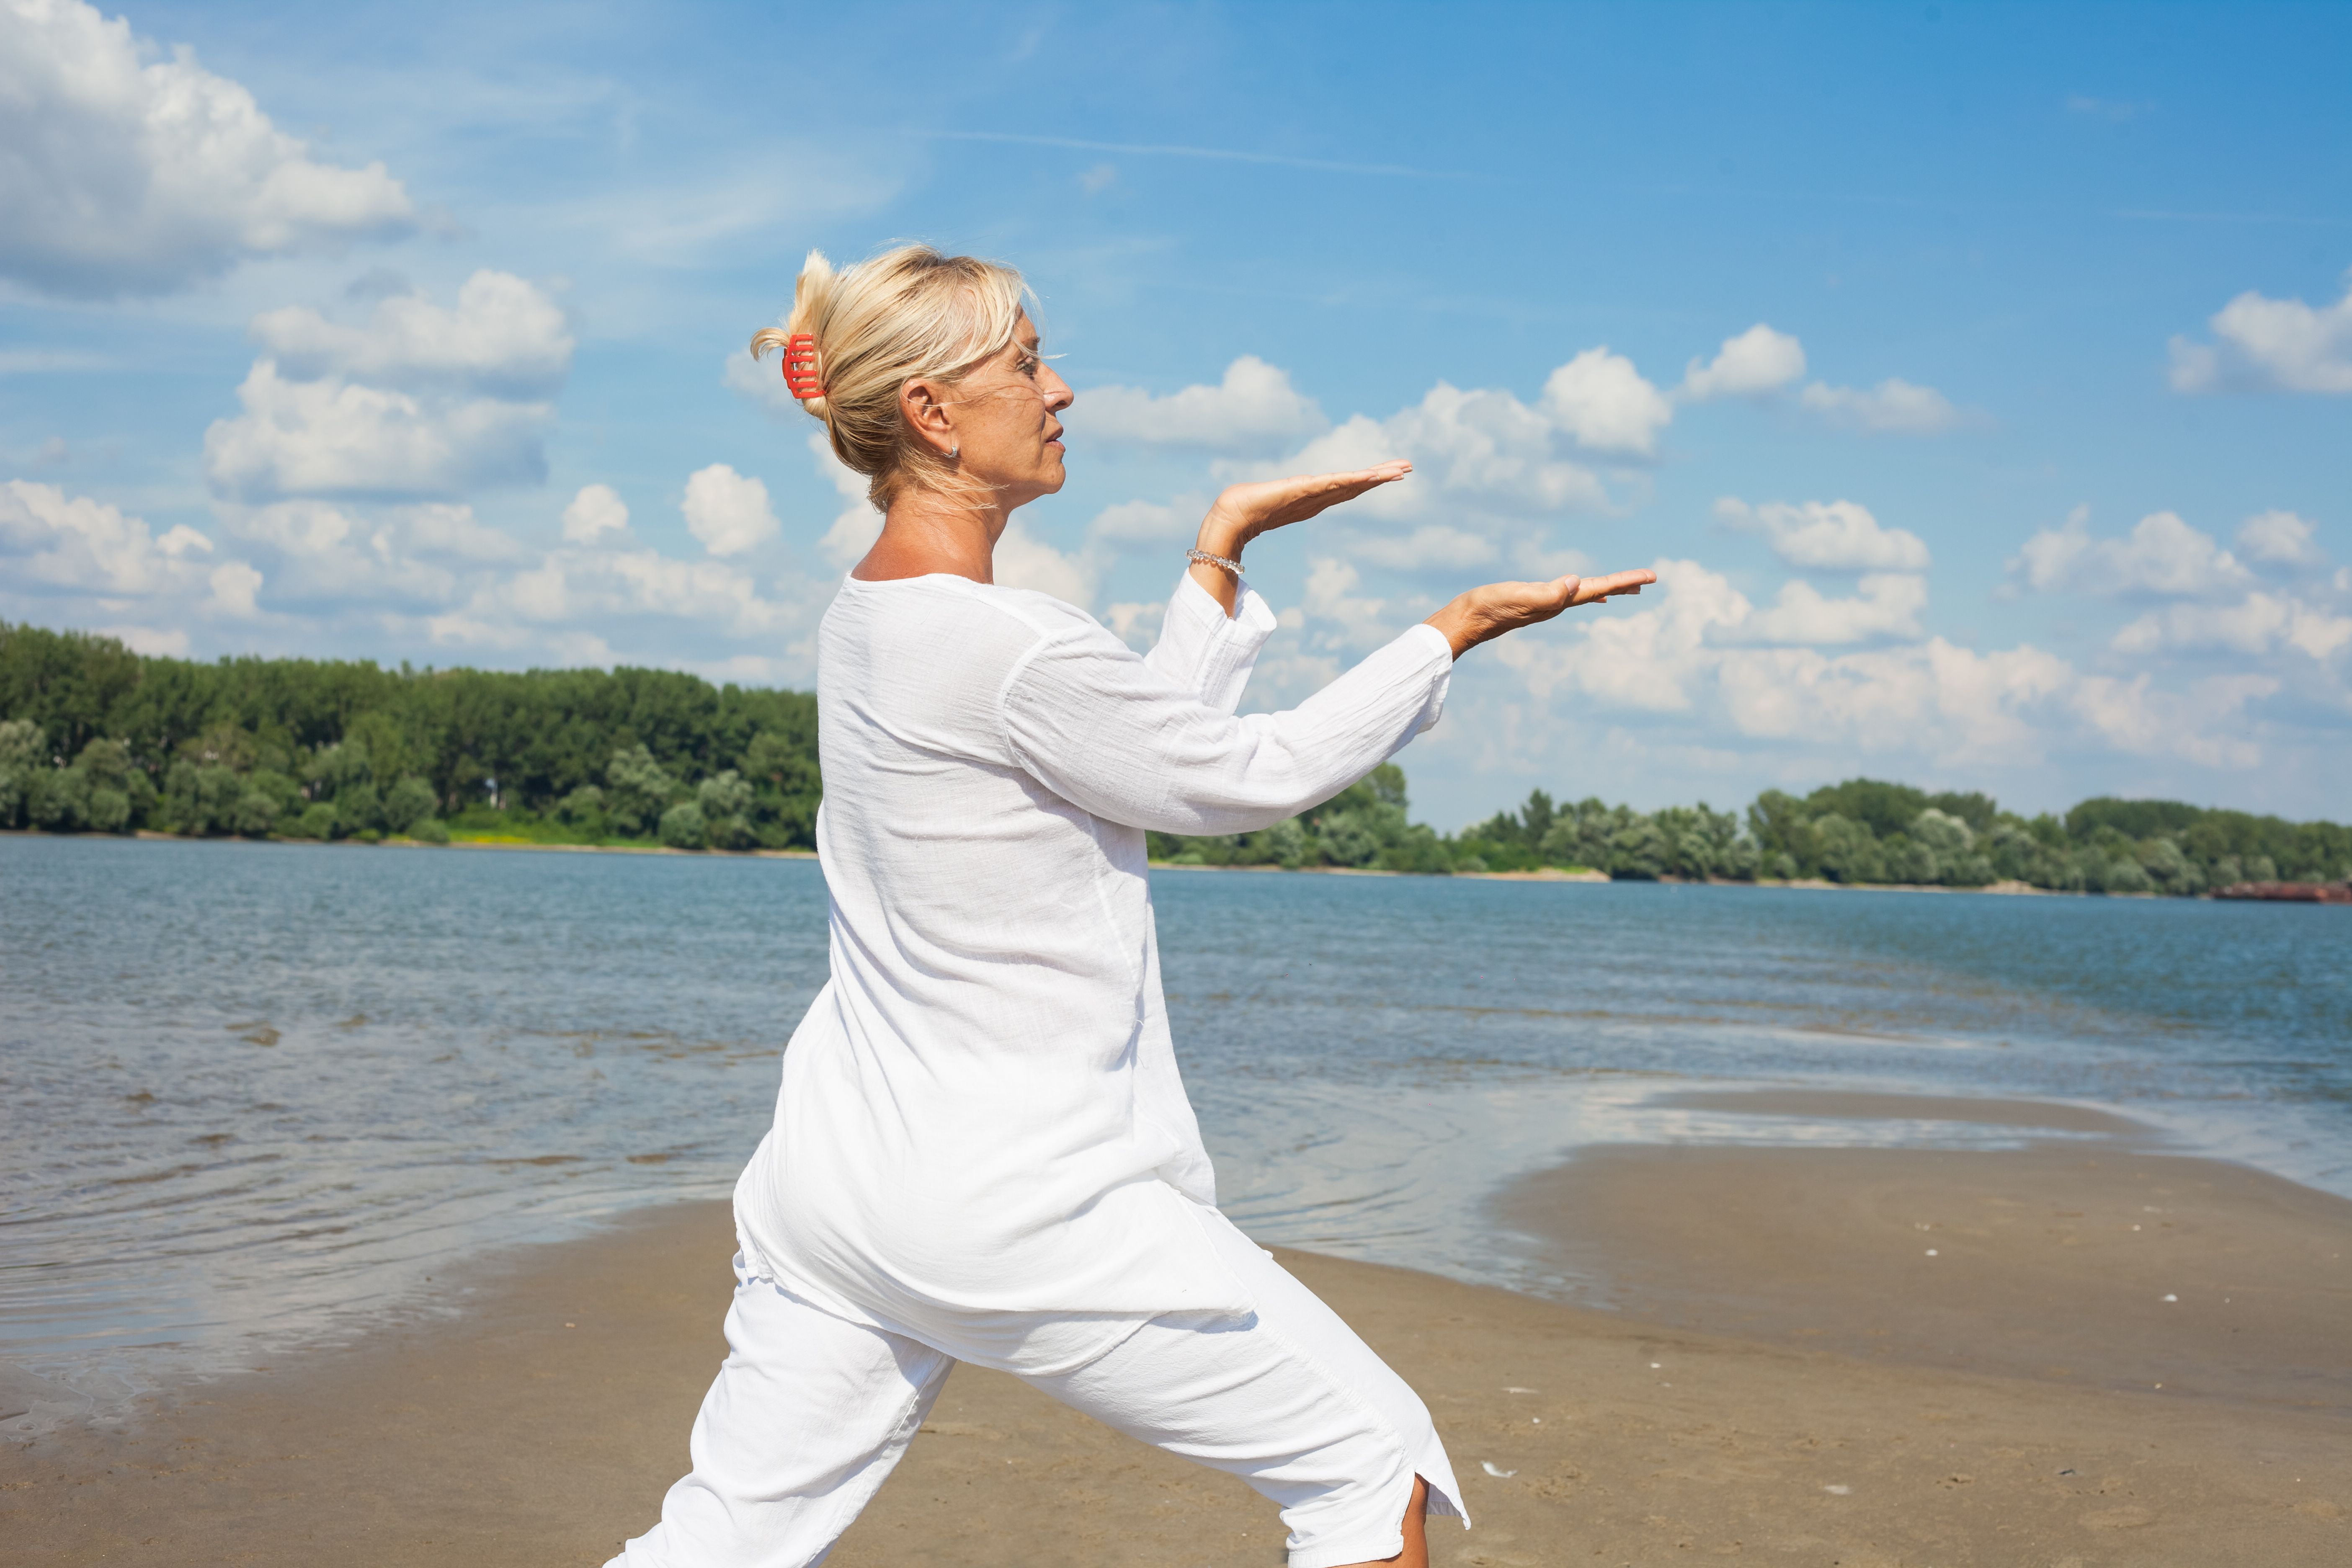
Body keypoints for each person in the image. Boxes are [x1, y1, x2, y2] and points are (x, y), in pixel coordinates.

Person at [608, 244, 1655, 1568]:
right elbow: (1244, 774)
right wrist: (1449, 632)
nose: (1062, 390)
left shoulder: (864, 620)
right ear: (931, 412)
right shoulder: (1010, 645)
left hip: (838, 1186)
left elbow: (1135, 760)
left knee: (723, 1539)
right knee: (1364, 1470)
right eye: (1028, 362)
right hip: (1010, 1204)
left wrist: (1220, 550)